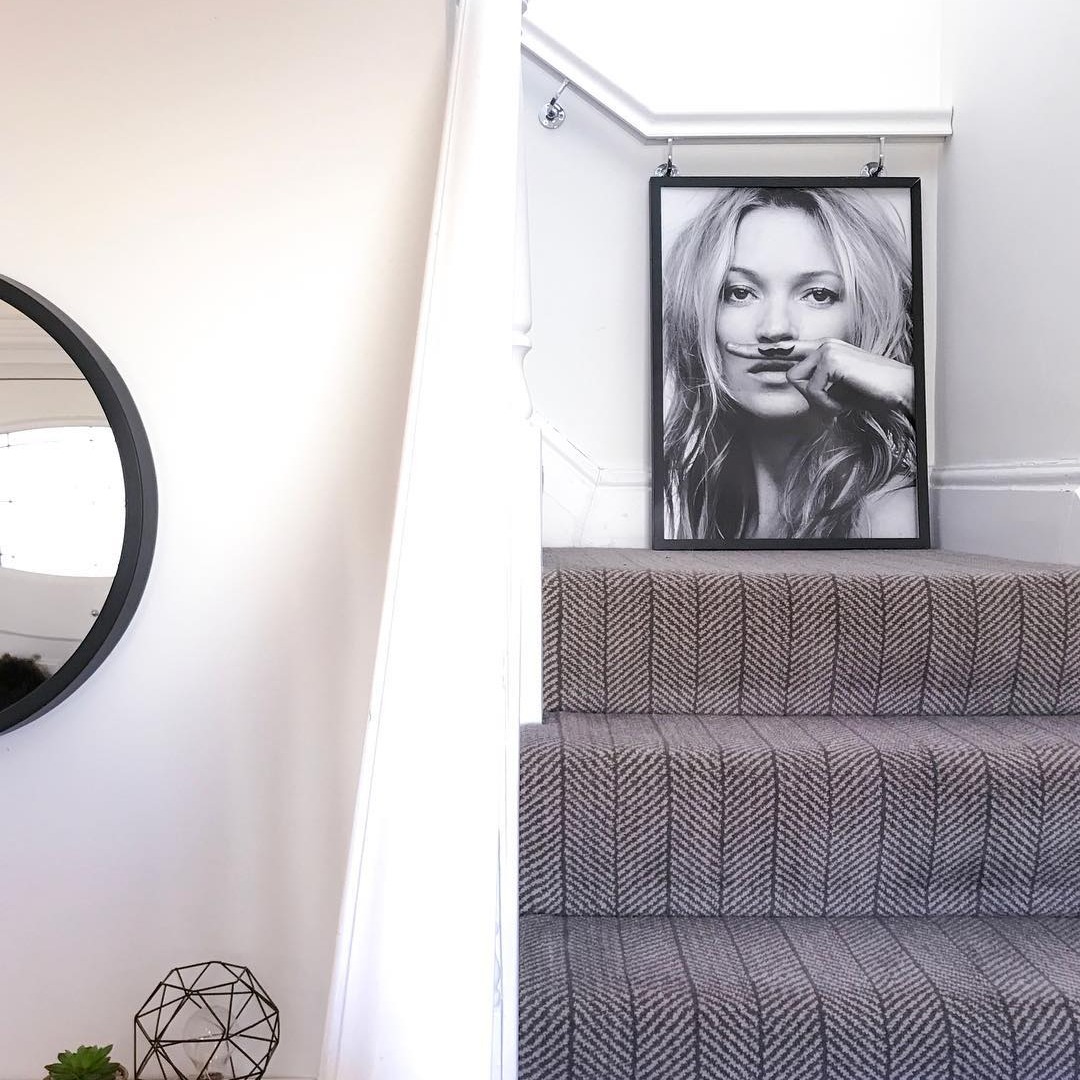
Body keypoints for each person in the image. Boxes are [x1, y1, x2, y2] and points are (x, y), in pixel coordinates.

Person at [661, 185, 918, 541]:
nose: (775, 329)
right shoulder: (707, 511)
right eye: (740, 293)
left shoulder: (891, 514)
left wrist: (910, 390)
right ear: (701, 314)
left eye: (818, 295)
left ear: (864, 317)